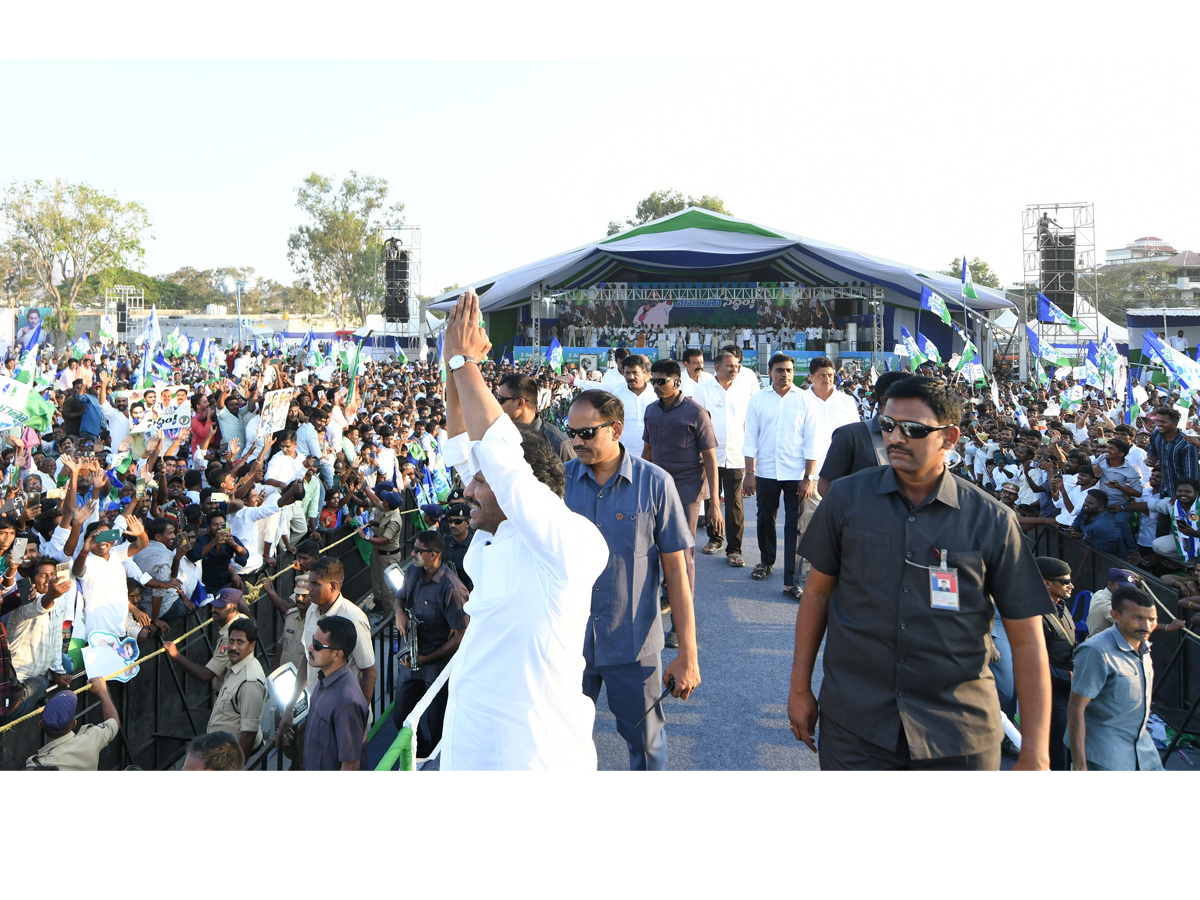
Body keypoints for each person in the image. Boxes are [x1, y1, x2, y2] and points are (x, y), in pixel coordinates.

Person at [786, 376, 1054, 770]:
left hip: (958, 733)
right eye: (887, 425)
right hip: (857, 727)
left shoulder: (992, 520)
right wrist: (799, 689)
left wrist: (1036, 748)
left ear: (949, 438)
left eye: (913, 430)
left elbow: (1028, 641)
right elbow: (817, 596)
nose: (895, 438)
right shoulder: (845, 500)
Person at [439, 289, 610, 770]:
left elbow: (504, 464)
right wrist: (451, 362)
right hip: (473, 747)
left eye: (479, 483)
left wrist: (462, 361)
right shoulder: (493, 538)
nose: (467, 492)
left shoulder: (568, 545)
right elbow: (462, 446)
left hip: (535, 759)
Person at [565, 388, 701, 770]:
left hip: (634, 645)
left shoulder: (655, 484)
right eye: (571, 431)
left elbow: (677, 574)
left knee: (646, 745)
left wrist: (688, 655)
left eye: (587, 433)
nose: (577, 441)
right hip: (569, 644)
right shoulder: (559, 484)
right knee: (559, 742)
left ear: (617, 429)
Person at [641, 357, 720, 604]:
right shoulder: (651, 411)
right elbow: (647, 453)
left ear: (676, 382)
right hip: (657, 489)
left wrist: (715, 505)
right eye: (653, 381)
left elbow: (710, 460)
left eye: (661, 381)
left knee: (684, 552)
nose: (655, 386)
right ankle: (668, 595)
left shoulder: (696, 412)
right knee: (656, 546)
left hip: (688, 490)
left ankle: (681, 616)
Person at [1067, 586, 1165, 770]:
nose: (1146, 626)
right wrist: (1080, 765)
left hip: (1144, 751)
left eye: (1152, 619)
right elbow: (1075, 708)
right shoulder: (1096, 651)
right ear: (1116, 615)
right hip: (1104, 756)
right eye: (1137, 618)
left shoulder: (1143, 647)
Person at [392, 530, 470, 755]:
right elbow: (400, 597)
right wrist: (399, 612)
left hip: (438, 666)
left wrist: (428, 658)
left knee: (438, 727)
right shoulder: (413, 571)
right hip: (413, 659)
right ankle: (422, 752)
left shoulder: (452, 588)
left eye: (419, 550)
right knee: (401, 719)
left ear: (434, 554)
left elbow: (460, 636)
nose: (413, 553)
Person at [794, 356, 863, 591]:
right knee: (808, 524)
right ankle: (805, 572)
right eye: (822, 375)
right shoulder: (801, 400)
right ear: (811, 377)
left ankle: (837, 571)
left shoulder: (846, 402)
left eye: (831, 375)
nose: (827, 379)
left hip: (840, 475)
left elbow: (855, 437)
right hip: (810, 473)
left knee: (840, 525)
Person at [163, 616, 267, 760]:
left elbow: (249, 733)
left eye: (240, 642)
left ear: (252, 645)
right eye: (231, 641)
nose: (233, 647)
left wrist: (237, 769)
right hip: (220, 751)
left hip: (230, 758)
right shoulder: (235, 667)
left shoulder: (249, 681)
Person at [743, 354, 806, 589]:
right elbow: (750, 438)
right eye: (780, 370)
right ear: (769, 372)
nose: (785, 374)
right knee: (765, 518)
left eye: (789, 370)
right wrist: (749, 472)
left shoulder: (804, 400)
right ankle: (766, 561)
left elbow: (811, 440)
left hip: (796, 473)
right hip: (766, 470)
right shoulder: (758, 400)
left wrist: (808, 476)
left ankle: (792, 576)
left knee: (795, 525)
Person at [695, 347, 755, 567]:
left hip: (737, 454)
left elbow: (750, 425)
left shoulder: (744, 390)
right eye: (730, 365)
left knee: (735, 503)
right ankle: (715, 538)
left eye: (737, 365)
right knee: (712, 498)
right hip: (711, 454)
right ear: (718, 367)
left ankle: (735, 548)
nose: (735, 369)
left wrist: (752, 461)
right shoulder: (704, 390)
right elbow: (699, 423)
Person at [817, 370, 912, 495]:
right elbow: (825, 487)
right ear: (885, 401)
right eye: (909, 399)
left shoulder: (920, 433)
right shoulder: (850, 436)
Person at [3, 557, 73, 717]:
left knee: (65, 667)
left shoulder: (59, 601)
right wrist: (51, 595)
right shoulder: (25, 601)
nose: (50, 579)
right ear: (32, 580)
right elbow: (39, 606)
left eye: (53, 574)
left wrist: (57, 670)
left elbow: (56, 635)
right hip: (18, 681)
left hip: (39, 674)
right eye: (43, 576)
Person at [303, 616, 370, 771]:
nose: (310, 648)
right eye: (313, 641)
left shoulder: (347, 701)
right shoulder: (323, 680)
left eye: (318, 645)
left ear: (337, 655)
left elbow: (351, 765)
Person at [73, 518, 150, 640]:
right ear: (89, 539)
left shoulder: (116, 553)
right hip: (98, 633)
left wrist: (141, 534)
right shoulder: (86, 561)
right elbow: (76, 571)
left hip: (120, 628)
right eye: (98, 537)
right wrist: (85, 550)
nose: (102, 541)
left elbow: (142, 544)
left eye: (106, 535)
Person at [1034, 557, 1078, 771]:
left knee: (1068, 745)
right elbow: (1033, 662)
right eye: (1065, 581)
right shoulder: (1034, 613)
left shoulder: (1061, 605)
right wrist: (1067, 677)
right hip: (1050, 694)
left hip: (1068, 691)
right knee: (1057, 749)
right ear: (1046, 584)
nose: (1071, 585)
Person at [25, 677, 119, 770]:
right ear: (74, 723)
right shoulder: (91, 738)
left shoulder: (38, 765)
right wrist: (102, 691)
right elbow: (114, 722)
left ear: (41, 724)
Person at [495, 374, 575, 462]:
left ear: (520, 403)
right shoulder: (500, 434)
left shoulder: (558, 443)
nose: (497, 404)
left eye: (500, 399)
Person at [611, 353, 656, 458]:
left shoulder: (656, 394)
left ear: (644, 372)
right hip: (624, 455)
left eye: (635, 373)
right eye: (627, 373)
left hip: (654, 454)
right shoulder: (617, 396)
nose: (631, 377)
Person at [1149, 406, 1198, 501]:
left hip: (1183, 497)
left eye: (1163, 422)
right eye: (1158, 421)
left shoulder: (1187, 444)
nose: (1159, 424)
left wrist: (1179, 496)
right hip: (1164, 491)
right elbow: (1152, 451)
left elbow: (1191, 476)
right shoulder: (1156, 435)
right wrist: (1151, 459)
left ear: (1175, 423)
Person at [440, 501, 475, 590]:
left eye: (457, 521)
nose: (453, 525)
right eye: (450, 521)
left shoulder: (475, 546)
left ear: (467, 523)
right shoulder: (443, 543)